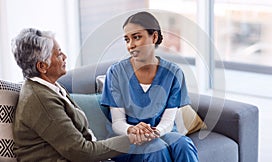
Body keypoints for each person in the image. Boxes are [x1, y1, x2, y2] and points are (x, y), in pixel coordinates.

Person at [11, 28, 138, 162]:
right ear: (42, 66)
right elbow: (82, 153)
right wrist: (130, 140)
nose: (65, 56)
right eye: (59, 54)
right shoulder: (41, 101)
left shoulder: (49, 88)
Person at [101, 11, 199, 162]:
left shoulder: (173, 73)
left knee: (184, 144)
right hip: (126, 138)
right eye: (127, 39)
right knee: (155, 148)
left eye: (137, 37)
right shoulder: (116, 73)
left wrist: (154, 132)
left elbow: (168, 120)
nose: (130, 45)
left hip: (162, 133)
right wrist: (132, 129)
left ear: (154, 37)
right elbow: (117, 122)